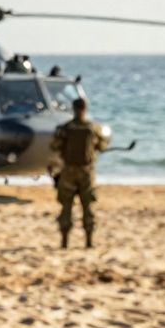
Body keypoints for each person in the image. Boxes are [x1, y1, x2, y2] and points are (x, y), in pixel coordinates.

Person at [49, 97, 109, 248]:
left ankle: (64, 242)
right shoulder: (93, 128)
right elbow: (102, 146)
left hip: (68, 171)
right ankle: (88, 242)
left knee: (66, 206)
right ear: (85, 109)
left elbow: (54, 146)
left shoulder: (65, 128)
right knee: (87, 206)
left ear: (73, 109)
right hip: (86, 172)